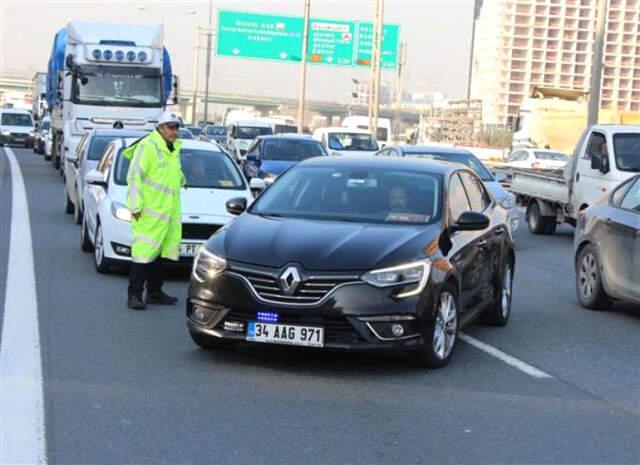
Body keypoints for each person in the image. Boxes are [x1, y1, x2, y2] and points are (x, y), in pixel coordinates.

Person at [123, 111, 185, 310]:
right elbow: (134, 177)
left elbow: (169, 176)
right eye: (170, 127)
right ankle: (134, 295)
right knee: (143, 254)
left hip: (166, 214)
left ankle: (155, 292)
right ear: (160, 128)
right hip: (148, 213)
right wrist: (135, 206)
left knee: (157, 255)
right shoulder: (148, 146)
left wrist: (183, 180)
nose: (174, 131)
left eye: (176, 127)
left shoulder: (173, 150)